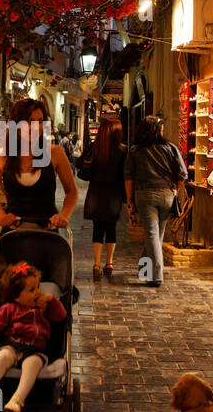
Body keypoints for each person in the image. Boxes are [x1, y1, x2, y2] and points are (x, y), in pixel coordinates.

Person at [0, 262, 67, 412]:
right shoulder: (9, 309)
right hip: (12, 346)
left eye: (38, 287)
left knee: (32, 363)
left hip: (35, 350)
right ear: (16, 296)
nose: (37, 292)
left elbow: (61, 316)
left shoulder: (44, 308)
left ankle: (17, 400)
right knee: (2, 356)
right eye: (32, 290)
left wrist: (52, 301)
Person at [0, 97, 78, 231]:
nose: (36, 127)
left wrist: (64, 216)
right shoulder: (1, 157)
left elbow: (72, 191)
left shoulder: (55, 153)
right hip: (13, 232)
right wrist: (1, 216)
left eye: (40, 121)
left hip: (47, 232)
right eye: (30, 121)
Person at [124, 115, 186, 287]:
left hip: (145, 195)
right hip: (167, 195)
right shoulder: (170, 148)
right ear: (157, 130)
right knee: (156, 235)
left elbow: (128, 177)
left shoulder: (136, 151)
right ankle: (145, 272)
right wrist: (174, 191)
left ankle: (156, 276)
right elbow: (183, 174)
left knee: (152, 235)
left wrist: (129, 199)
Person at [78, 115, 127, 277]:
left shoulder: (95, 148)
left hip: (96, 193)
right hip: (114, 194)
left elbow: (79, 163)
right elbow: (126, 175)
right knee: (111, 228)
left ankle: (96, 264)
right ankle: (109, 263)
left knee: (97, 229)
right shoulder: (122, 150)